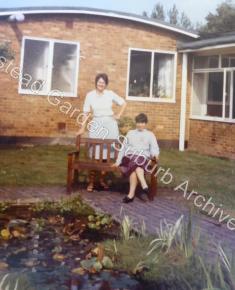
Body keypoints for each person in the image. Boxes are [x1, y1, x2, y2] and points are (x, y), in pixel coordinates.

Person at [78, 73, 127, 192]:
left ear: (106, 84)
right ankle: (91, 182)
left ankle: (101, 180)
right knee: (95, 155)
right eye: (99, 82)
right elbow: (86, 112)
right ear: (96, 83)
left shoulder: (110, 94)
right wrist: (82, 127)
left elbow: (123, 103)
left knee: (107, 157)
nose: (101, 84)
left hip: (110, 125)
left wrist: (118, 115)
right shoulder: (90, 95)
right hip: (96, 125)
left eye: (103, 83)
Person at [113, 113, 159, 203]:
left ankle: (130, 195)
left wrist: (155, 155)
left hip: (142, 157)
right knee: (135, 163)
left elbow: (154, 147)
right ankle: (143, 184)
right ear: (136, 123)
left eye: (142, 123)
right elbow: (123, 148)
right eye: (138, 122)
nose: (140, 125)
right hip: (129, 157)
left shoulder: (150, 134)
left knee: (135, 167)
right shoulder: (131, 133)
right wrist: (118, 162)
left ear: (145, 124)